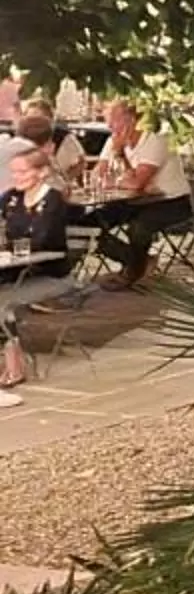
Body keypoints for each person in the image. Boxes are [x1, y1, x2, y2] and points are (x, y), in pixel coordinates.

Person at [79, 100, 190, 291]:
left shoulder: (156, 139)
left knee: (139, 227)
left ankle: (133, 271)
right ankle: (138, 261)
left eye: (113, 121)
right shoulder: (113, 140)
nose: (109, 127)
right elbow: (98, 176)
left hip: (170, 201)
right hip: (133, 201)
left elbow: (137, 183)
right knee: (86, 224)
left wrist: (120, 157)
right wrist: (118, 179)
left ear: (131, 120)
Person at [0, 144, 75, 404]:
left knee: (1, 301)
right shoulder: (11, 198)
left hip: (49, 274)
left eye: (22, 172)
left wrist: (10, 247)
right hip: (14, 272)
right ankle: (11, 356)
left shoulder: (52, 200)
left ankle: (13, 363)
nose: (16, 178)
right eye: (14, 173)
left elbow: (43, 240)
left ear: (41, 173)